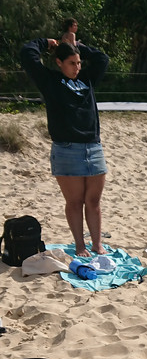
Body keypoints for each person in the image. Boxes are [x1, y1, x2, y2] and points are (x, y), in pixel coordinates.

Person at [21, 33, 109, 256]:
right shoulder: (50, 80)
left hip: (93, 147)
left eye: (79, 63)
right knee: (75, 201)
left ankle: (97, 244)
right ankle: (80, 245)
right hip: (67, 149)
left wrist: (77, 45)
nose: (77, 67)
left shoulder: (87, 78)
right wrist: (47, 43)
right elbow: (27, 54)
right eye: (71, 63)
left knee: (93, 201)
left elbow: (102, 59)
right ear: (59, 62)